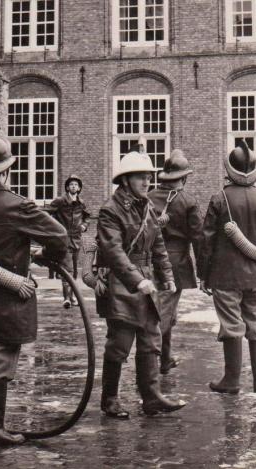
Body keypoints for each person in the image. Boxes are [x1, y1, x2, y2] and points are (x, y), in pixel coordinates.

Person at [0, 129, 69, 447]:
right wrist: (47, 257)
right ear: (7, 170)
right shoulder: (17, 206)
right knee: (0, 358)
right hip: (8, 295)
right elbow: (60, 237)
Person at [96, 151, 185, 418]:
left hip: (147, 282)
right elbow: (114, 252)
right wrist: (137, 280)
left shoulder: (147, 207)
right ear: (125, 180)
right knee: (120, 344)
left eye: (149, 177)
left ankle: (151, 397)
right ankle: (109, 399)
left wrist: (166, 274)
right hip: (123, 283)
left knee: (150, 340)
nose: (147, 182)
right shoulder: (110, 210)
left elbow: (158, 245)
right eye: (140, 177)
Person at [198, 141, 256, 394]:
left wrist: (204, 274)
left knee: (231, 324)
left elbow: (206, 241)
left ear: (229, 169)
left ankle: (232, 380)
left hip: (226, 275)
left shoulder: (219, 199)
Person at [148, 149, 203, 375]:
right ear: (184, 177)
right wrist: (203, 272)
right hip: (177, 262)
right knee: (163, 313)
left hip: (151, 260)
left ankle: (165, 358)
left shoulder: (149, 197)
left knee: (162, 310)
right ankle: (151, 364)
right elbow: (198, 239)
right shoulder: (188, 201)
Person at [46, 175, 91, 308]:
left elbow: (87, 217)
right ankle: (66, 298)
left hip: (76, 239)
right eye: (71, 184)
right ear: (67, 187)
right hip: (63, 239)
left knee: (75, 272)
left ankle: (71, 296)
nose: (73, 187)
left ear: (79, 188)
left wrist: (84, 225)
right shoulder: (60, 201)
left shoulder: (81, 203)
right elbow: (48, 213)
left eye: (76, 185)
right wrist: (55, 228)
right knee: (67, 269)